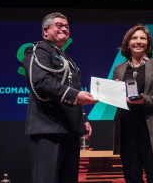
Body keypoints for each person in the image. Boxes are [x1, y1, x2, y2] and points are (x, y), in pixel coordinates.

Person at [23, 12, 98, 183]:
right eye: (59, 25)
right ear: (45, 31)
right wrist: (76, 96)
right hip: (48, 128)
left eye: (66, 26)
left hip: (70, 129)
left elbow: (73, 88)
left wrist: (83, 118)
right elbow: (40, 81)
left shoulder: (67, 59)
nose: (64, 28)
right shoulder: (39, 50)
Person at [112, 25, 153, 183]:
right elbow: (116, 99)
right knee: (131, 177)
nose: (138, 41)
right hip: (127, 129)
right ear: (127, 43)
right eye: (134, 38)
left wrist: (144, 100)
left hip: (151, 130)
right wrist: (113, 91)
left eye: (142, 38)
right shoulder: (119, 69)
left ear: (148, 44)